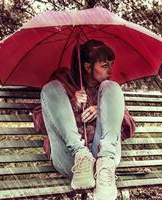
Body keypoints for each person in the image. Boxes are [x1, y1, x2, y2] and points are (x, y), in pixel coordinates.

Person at [33, 39, 135, 200]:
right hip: (70, 159)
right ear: (87, 67)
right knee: (50, 88)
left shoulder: (106, 91)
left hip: (103, 156)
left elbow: (129, 128)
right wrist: (72, 105)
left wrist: (101, 110)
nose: (110, 70)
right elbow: (40, 124)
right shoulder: (63, 82)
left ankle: (105, 164)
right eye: (104, 65)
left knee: (112, 86)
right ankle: (81, 155)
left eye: (111, 64)